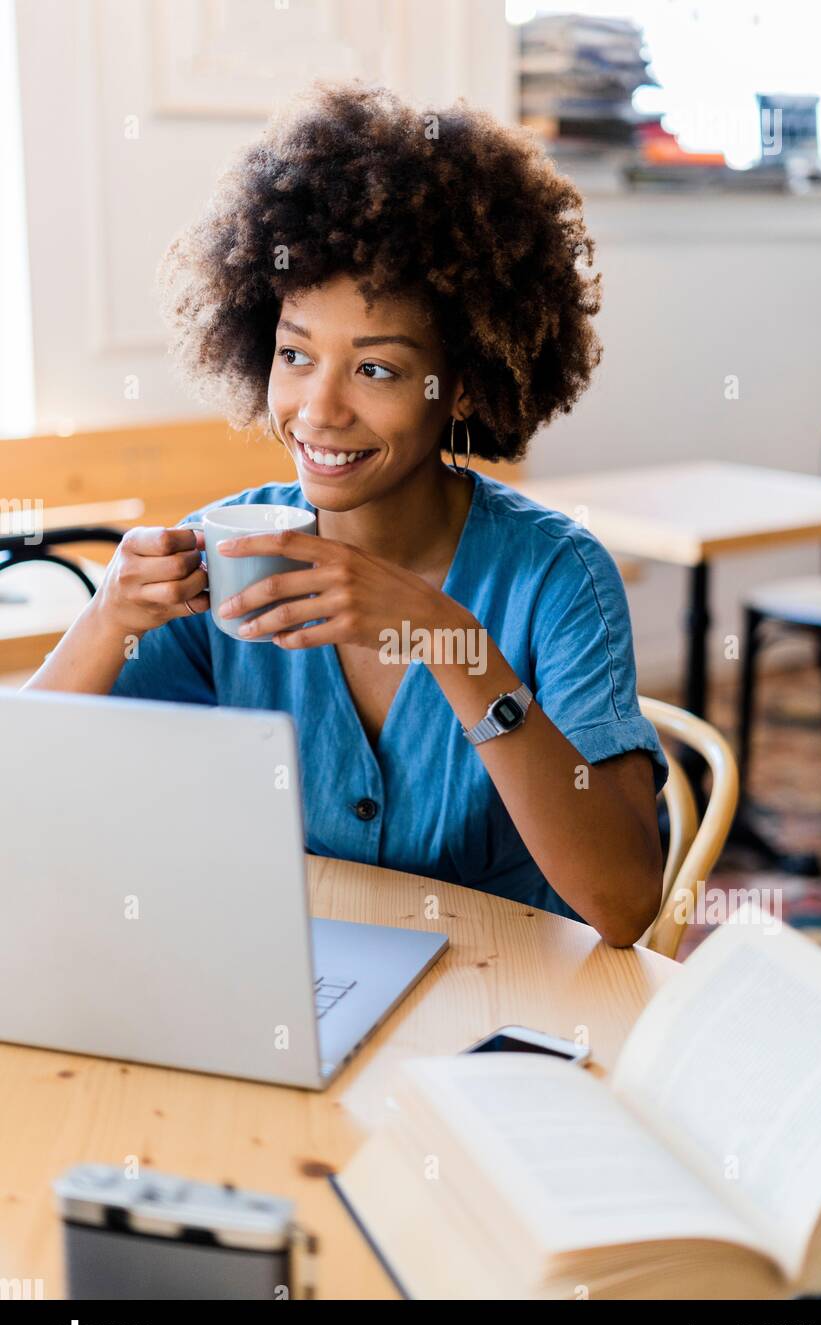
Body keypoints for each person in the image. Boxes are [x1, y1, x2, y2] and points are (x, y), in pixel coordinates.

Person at [27, 84, 667, 945]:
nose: (319, 410)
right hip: (298, 986)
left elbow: (625, 903)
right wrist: (106, 620)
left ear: (463, 384)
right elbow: (21, 799)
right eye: (295, 355)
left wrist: (453, 644)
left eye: (377, 370)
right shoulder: (228, 553)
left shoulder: (557, 578)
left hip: (507, 1007)